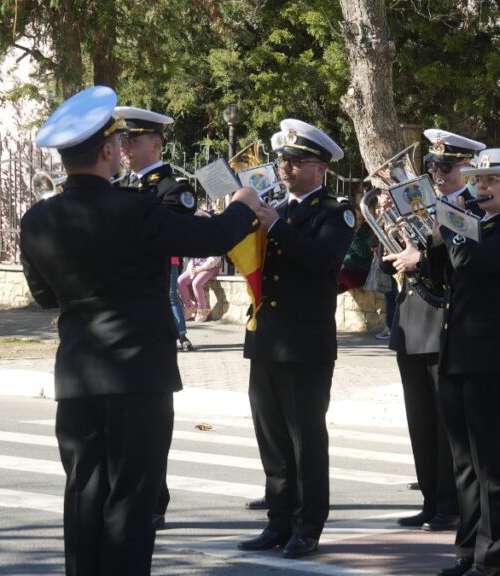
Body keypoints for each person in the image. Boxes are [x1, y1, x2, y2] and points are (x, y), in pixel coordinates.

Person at [19, 86, 261, 575]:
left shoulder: (37, 217)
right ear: (108, 151)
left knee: (83, 492)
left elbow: (45, 297)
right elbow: (210, 236)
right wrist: (243, 203)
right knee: (131, 496)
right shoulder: (135, 209)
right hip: (138, 376)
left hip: (78, 375)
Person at [236, 119, 356, 559]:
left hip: (305, 343)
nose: (285, 167)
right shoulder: (276, 209)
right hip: (267, 337)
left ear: (320, 168)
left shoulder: (336, 211)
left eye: (296, 161)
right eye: (283, 160)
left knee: (306, 440)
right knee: (272, 439)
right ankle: (279, 520)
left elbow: (323, 260)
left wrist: (276, 227)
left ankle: (308, 525)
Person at [434, 148, 500, 576]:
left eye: (492, 181)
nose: (481, 187)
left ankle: (492, 558)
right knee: (464, 464)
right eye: (477, 180)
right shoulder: (475, 227)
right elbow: (441, 278)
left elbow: (470, 263)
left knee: (490, 462)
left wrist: (451, 224)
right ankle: (467, 550)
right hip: (459, 355)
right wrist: (426, 244)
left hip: (495, 361)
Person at [382, 129, 485, 532]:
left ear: (468, 169)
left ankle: (451, 502)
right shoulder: (420, 204)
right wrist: (394, 236)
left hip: (445, 322)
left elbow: (463, 269)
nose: (438, 174)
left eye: (447, 166)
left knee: (447, 423)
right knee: (420, 420)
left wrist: (421, 257)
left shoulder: (474, 209)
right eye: (433, 165)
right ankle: (430, 499)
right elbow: (391, 264)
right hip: (410, 320)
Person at [115, 105, 197, 352]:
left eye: (132, 140)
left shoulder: (174, 189)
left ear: (156, 144)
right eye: (122, 140)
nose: (124, 148)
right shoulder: (118, 186)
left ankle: (182, 334)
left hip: (149, 321)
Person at [337, 206, 377, 293]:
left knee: (331, 276)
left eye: (359, 219)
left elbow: (364, 252)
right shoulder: (345, 226)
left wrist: (352, 235)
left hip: (359, 271)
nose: (355, 221)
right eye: (353, 217)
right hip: (346, 268)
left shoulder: (367, 230)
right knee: (332, 289)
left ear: (363, 220)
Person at [178, 252, 223, 322]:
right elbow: (191, 259)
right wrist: (191, 269)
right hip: (196, 267)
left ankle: (202, 309)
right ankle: (189, 306)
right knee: (180, 281)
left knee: (196, 283)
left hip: (211, 267)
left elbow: (214, 259)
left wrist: (201, 268)